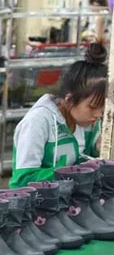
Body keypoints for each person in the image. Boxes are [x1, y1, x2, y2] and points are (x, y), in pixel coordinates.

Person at [10, 43, 106, 188]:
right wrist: (73, 173)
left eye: (102, 108)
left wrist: (99, 149)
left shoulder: (88, 121)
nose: (98, 114)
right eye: (92, 107)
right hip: (40, 199)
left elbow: (87, 156)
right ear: (69, 100)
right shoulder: (38, 122)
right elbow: (22, 180)